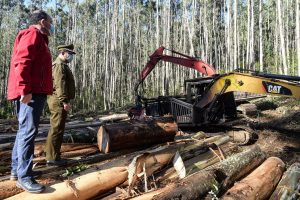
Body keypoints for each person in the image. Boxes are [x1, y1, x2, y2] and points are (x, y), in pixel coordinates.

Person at [7, 10, 54, 193]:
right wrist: (25, 90)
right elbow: (22, 62)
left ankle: (16, 170)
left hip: (34, 91)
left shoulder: (39, 38)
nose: (51, 25)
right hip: (30, 93)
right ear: (42, 21)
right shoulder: (32, 34)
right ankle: (24, 177)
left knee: (23, 131)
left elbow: (37, 68)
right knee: (28, 132)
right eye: (50, 22)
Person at [45, 44, 76, 165]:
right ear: (63, 53)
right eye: (70, 54)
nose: (71, 56)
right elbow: (59, 85)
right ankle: (52, 158)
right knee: (56, 128)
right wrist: (64, 101)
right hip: (58, 100)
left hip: (58, 100)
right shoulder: (58, 66)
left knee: (58, 128)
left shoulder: (63, 65)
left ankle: (53, 155)